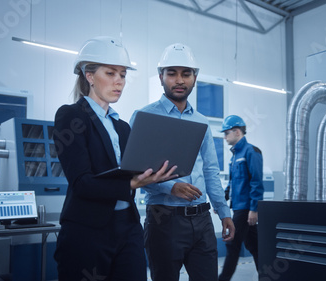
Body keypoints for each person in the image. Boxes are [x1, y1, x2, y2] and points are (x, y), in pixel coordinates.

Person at [53, 36, 177, 281]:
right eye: (110, 73)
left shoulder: (123, 127)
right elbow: (82, 183)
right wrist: (132, 184)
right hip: (87, 230)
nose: (119, 81)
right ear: (89, 76)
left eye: (122, 75)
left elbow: (130, 171)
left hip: (128, 227)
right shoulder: (71, 116)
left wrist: (153, 174)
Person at [129, 43, 235, 281]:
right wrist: (170, 187)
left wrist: (223, 211)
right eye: (172, 73)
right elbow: (134, 171)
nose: (179, 80)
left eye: (186, 74)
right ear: (160, 77)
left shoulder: (201, 121)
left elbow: (210, 170)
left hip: (203, 221)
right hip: (164, 219)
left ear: (194, 78)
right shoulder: (144, 116)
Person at [218, 115, 264, 281]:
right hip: (237, 206)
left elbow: (256, 182)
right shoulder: (235, 156)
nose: (225, 137)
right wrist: (221, 199)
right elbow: (232, 183)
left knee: (232, 245)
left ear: (237, 132)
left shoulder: (251, 152)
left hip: (245, 209)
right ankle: (266, 276)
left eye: (226, 133)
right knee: (255, 246)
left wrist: (254, 208)